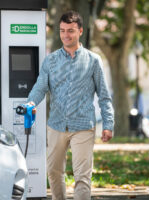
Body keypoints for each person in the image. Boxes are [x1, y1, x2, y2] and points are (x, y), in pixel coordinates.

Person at [27, 11, 114, 200]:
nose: (66, 35)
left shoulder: (93, 60)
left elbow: (104, 96)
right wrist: (30, 102)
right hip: (56, 125)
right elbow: (40, 87)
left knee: (82, 176)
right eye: (63, 31)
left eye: (71, 31)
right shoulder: (50, 61)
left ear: (80, 31)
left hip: (83, 125)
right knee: (54, 172)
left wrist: (108, 124)